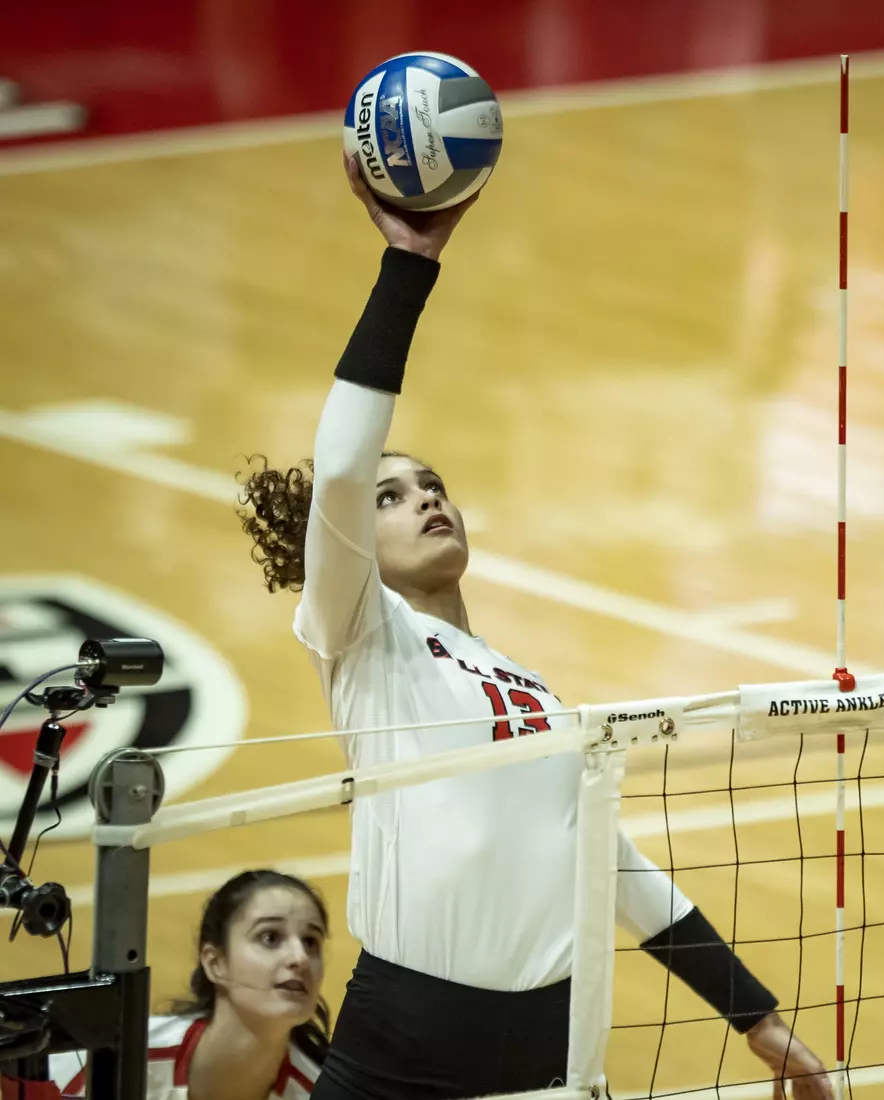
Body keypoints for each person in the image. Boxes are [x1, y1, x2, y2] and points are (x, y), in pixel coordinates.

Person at [233, 156, 831, 1100]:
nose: (425, 498)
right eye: (393, 498)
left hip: (552, 1046)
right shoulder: (362, 638)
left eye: (433, 485)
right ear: (355, 540)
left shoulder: (538, 695)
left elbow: (615, 865)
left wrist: (756, 1018)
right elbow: (341, 464)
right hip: (406, 1043)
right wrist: (408, 265)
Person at [51, 870, 330, 1100]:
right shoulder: (115, 1060)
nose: (300, 958)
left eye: (310, 942)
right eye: (270, 937)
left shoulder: (317, 1092)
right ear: (215, 963)